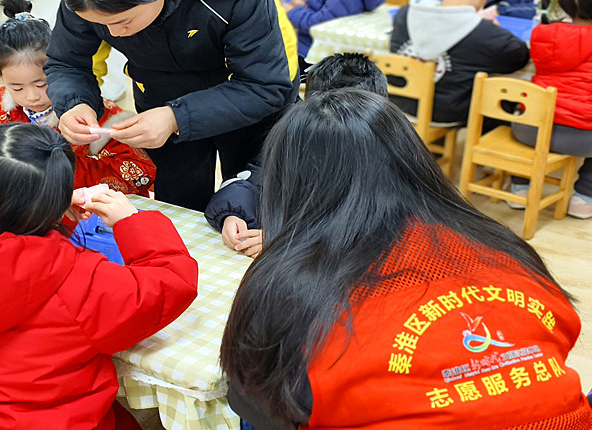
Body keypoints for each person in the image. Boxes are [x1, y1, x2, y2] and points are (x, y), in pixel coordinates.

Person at [220, 89, 592, 430]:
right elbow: (561, 335)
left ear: (291, 182)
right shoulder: (502, 247)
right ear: (413, 160)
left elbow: (253, 398)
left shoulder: (288, 285)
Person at [0, 122, 198, 429]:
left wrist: (50, 215)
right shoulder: (80, 280)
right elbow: (172, 285)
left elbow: (6, 256)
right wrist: (131, 222)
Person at [45, 0, 297, 211]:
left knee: (251, 202)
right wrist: (74, 104)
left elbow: (265, 86)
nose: (113, 34)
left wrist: (176, 116)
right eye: (100, 24)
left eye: (123, 21)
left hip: (250, 92)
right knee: (179, 202)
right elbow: (67, 61)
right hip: (161, 92)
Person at [0, 0, 156, 196]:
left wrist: (59, 171)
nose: (31, 97)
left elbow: (139, 171)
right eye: (17, 87)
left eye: (41, 84)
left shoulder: (96, 114)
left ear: (60, 70)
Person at [204, 53, 387, 258]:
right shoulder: (295, 139)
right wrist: (233, 214)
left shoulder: (387, 161)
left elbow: (369, 231)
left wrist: (286, 242)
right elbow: (253, 180)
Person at [391, 0, 530, 124]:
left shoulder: (405, 13)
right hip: (445, 113)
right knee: (502, 99)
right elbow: (519, 57)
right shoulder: (485, 33)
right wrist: (496, 29)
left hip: (396, 103)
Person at [508, 0, 592, 219]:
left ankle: (520, 186)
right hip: (582, 139)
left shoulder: (543, 33)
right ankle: (584, 197)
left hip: (529, 130)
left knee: (521, 108)